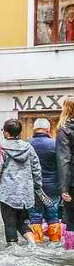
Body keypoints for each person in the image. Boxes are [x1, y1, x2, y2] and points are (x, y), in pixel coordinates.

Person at [0, 119, 42, 246]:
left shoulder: (1, 147)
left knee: (9, 223)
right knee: (21, 222)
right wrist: (37, 186)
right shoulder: (28, 147)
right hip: (25, 193)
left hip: (7, 193)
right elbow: (36, 168)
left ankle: (12, 248)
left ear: (6, 133)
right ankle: (32, 243)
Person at [28, 117, 61, 243]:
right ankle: (55, 242)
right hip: (52, 186)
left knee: (35, 216)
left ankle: (37, 243)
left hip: (33, 187)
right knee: (53, 216)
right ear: (48, 130)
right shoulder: (55, 144)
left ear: (34, 129)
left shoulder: (27, 144)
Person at [56, 97, 74, 230]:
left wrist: (64, 188)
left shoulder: (64, 130)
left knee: (71, 221)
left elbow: (64, 160)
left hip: (72, 182)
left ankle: (71, 249)